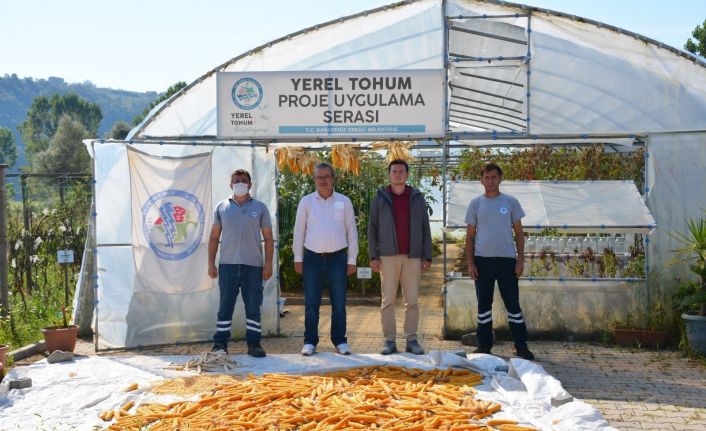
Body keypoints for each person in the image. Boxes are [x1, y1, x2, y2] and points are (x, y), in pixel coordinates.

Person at [465, 163, 535, 360]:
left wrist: (520, 260)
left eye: (494, 177)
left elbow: (519, 233)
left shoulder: (511, 202)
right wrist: (471, 263)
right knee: (483, 306)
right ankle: (484, 345)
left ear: (500, 178)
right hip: (482, 261)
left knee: (513, 304)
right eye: (486, 177)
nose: (490, 181)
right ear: (481, 180)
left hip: (507, 261)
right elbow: (470, 236)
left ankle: (521, 346)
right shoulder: (475, 204)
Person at [293, 162, 358, 356]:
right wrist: (298, 257)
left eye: (326, 176)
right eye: (319, 177)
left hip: (338, 258)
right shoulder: (306, 202)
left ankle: (340, 341)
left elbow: (352, 231)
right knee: (311, 304)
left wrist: (352, 259)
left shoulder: (344, 201)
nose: (323, 180)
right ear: (314, 180)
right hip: (311, 258)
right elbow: (299, 230)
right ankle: (310, 342)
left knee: (339, 303)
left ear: (333, 178)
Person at [368, 159, 432, 355]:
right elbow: (372, 228)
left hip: (413, 257)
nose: (397, 174)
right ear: (389, 174)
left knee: (411, 301)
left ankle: (411, 340)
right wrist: (373, 256)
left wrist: (427, 256)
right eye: (394, 171)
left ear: (407, 174)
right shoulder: (380, 197)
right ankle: (389, 341)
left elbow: (425, 227)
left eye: (401, 171)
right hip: (387, 257)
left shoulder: (417, 197)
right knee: (387, 301)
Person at [208, 169, 273, 357]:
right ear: (230, 185)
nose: (240, 183)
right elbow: (214, 237)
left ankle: (254, 344)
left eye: (244, 180)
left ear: (250, 184)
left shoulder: (260, 207)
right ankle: (220, 344)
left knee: (253, 308)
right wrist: (211, 263)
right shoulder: (221, 207)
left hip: (253, 266)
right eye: (236, 180)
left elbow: (268, 238)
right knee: (225, 307)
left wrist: (268, 264)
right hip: (227, 265)